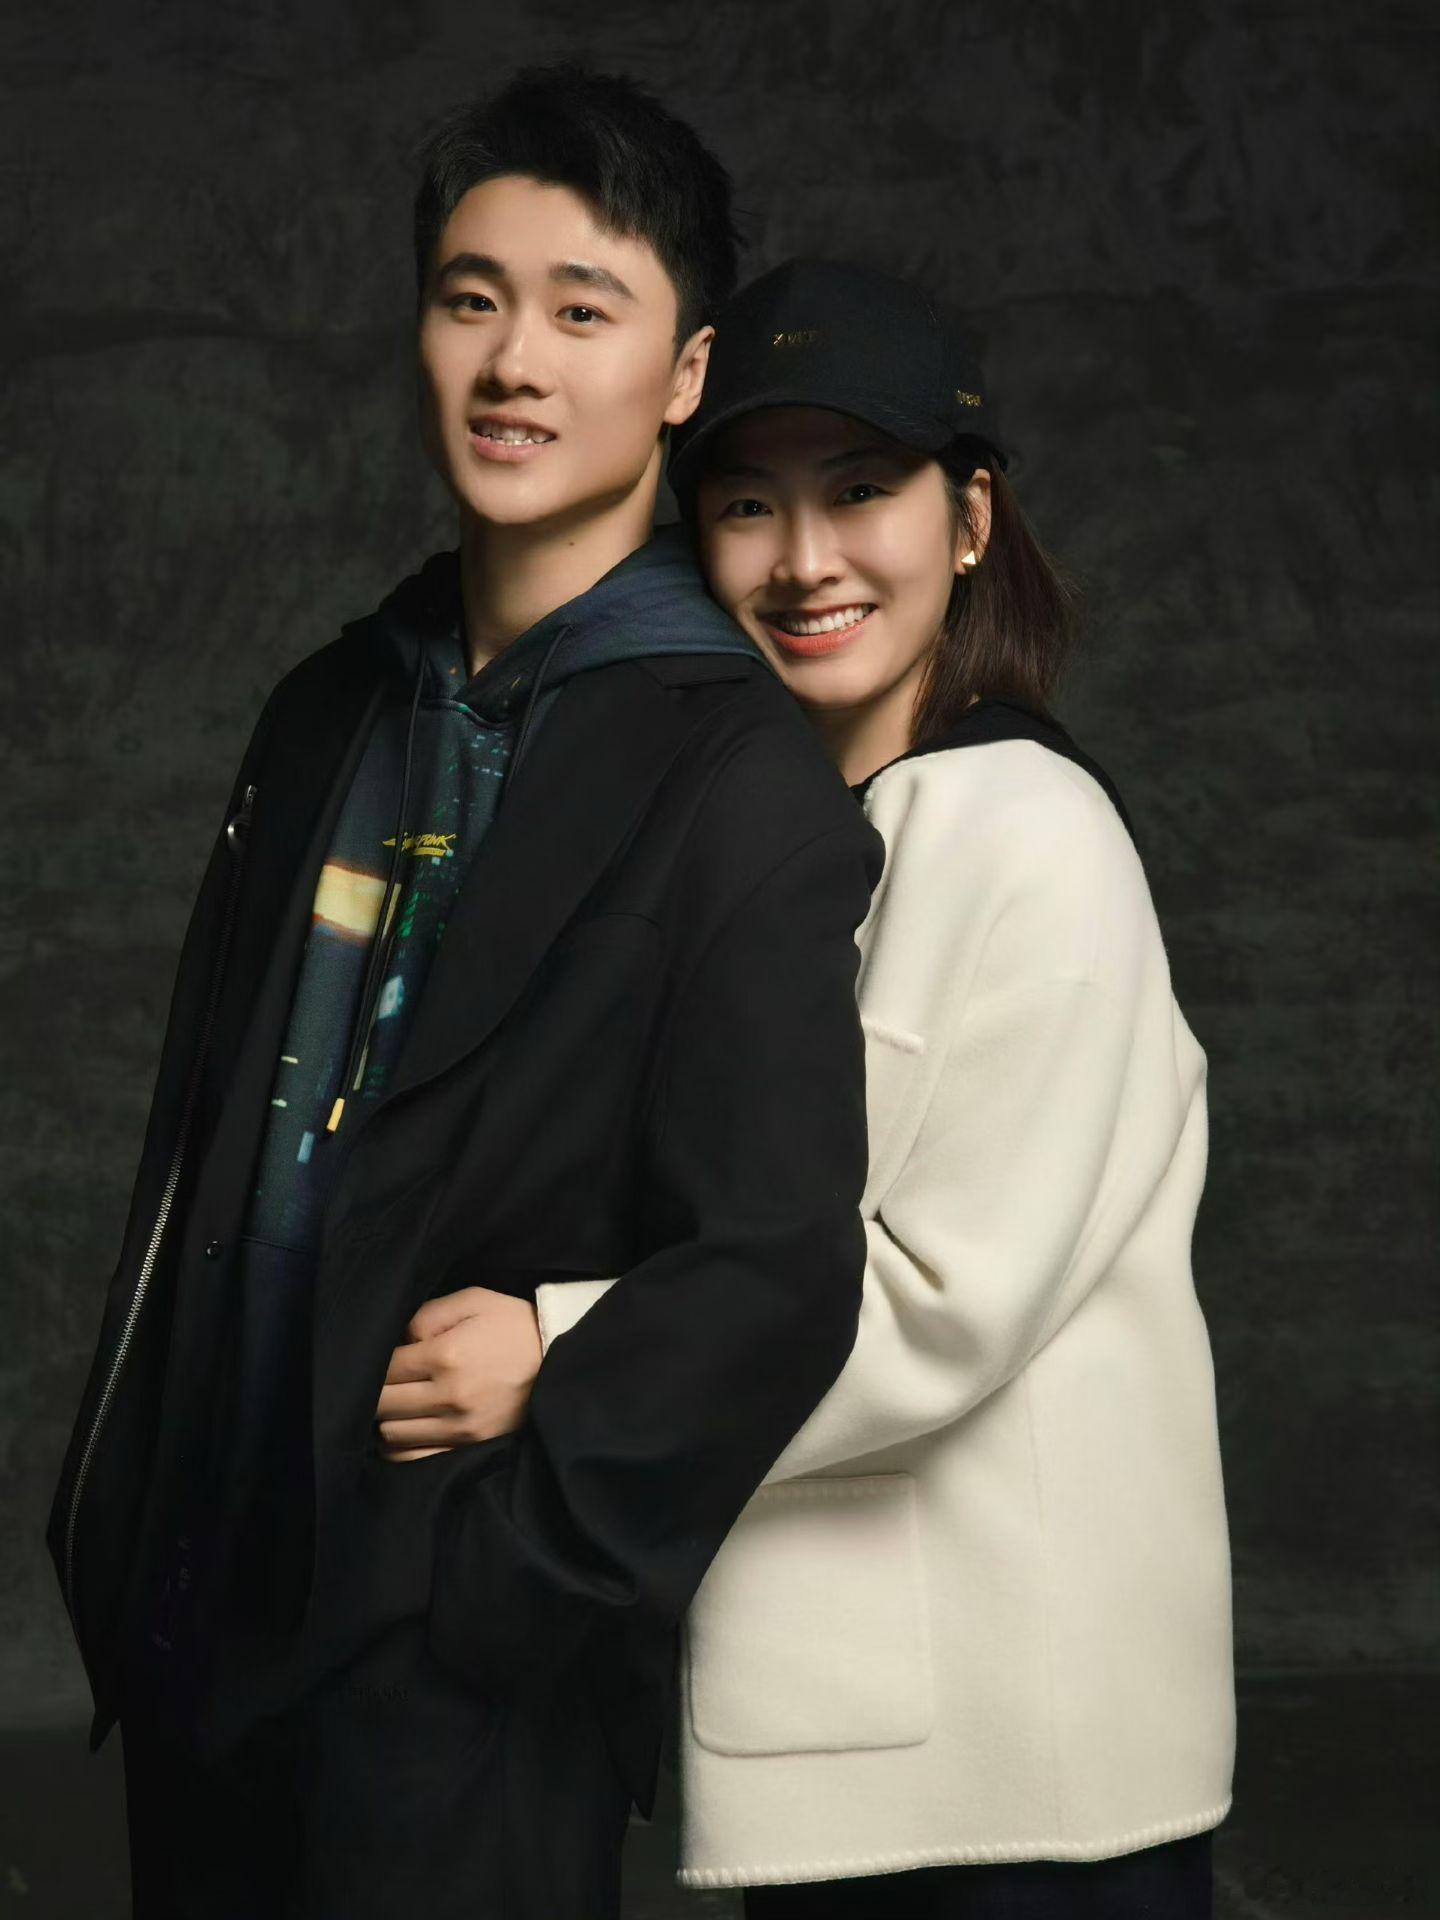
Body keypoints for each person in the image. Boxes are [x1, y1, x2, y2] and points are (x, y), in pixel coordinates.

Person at [46, 81, 881, 1920]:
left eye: (585, 309)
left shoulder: (734, 776)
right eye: (470, 298)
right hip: (200, 1620)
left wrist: (510, 1596)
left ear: (684, 372)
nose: (515, 361)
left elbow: (775, 1271)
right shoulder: (326, 707)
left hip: (455, 1678)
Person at [518, 260, 1233, 1913]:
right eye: (746, 504)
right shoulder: (827, 839)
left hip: (1009, 1786)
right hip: (894, 1747)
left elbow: (930, 1297)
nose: (804, 558)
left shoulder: (1016, 829)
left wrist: (550, 1352)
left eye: (860, 490)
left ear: (971, 519)